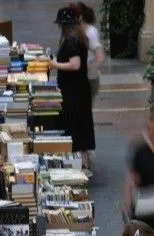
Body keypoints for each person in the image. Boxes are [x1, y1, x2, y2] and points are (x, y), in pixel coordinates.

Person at [49, 6, 96, 174]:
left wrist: (54, 64)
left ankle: (82, 165)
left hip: (73, 91)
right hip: (79, 89)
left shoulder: (71, 41)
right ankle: (85, 163)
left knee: (73, 124)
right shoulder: (79, 38)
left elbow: (75, 64)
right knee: (81, 125)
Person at [75, 2, 104, 102]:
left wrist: (89, 70)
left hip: (89, 79)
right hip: (82, 78)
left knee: (84, 110)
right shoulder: (79, 31)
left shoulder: (91, 33)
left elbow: (100, 58)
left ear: (80, 17)